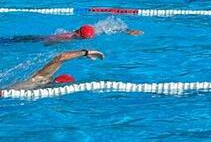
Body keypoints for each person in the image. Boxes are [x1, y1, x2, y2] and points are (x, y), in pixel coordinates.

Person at [6, 49, 104, 91]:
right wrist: (86, 52)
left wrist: (85, 52)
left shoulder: (40, 80)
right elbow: (60, 57)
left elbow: (61, 58)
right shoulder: (41, 79)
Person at [1, 22, 142, 46]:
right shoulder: (68, 37)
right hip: (41, 38)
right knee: (18, 40)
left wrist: (127, 31)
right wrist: (51, 44)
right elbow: (48, 41)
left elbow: (110, 27)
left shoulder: (94, 30)